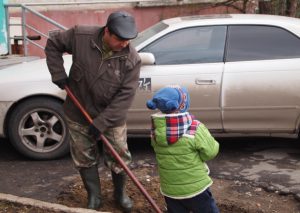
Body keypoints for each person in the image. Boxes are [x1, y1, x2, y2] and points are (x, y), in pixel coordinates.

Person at [45, 11, 141, 212]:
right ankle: (94, 197)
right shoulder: (80, 36)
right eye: (120, 39)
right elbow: (53, 43)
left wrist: (103, 122)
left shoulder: (131, 59)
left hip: (111, 116)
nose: (125, 44)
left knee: (119, 157)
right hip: (78, 110)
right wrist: (58, 73)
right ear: (107, 31)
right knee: (83, 156)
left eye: (128, 40)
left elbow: (125, 97)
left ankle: (120, 195)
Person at [146, 85, 220, 213]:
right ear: (183, 105)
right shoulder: (194, 127)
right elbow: (210, 152)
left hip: (170, 190)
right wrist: (199, 158)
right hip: (196, 188)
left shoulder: (155, 132)